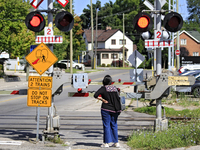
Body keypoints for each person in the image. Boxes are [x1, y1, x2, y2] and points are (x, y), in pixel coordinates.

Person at [94, 75, 121, 148]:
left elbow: (95, 95)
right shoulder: (115, 88)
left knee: (106, 125)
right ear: (111, 82)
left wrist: (102, 99)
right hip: (115, 109)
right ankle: (116, 142)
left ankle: (106, 143)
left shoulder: (103, 88)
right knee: (114, 125)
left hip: (106, 109)